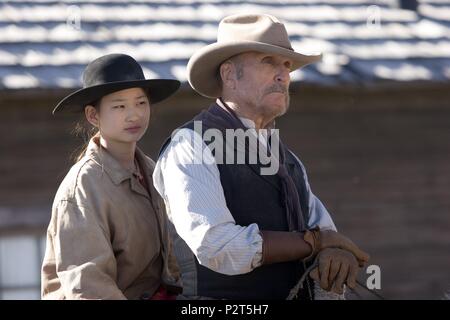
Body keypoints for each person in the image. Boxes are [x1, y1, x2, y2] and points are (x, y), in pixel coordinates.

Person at [153, 14, 370, 300]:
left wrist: (333, 250)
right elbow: (214, 245)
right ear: (229, 74)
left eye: (287, 65)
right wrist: (314, 242)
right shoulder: (191, 146)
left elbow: (326, 232)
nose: (283, 75)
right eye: (268, 61)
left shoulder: (289, 160)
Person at [41, 53, 182, 299]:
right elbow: (88, 286)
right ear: (93, 116)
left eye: (140, 103)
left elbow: (170, 263)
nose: (134, 115)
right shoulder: (83, 187)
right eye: (119, 106)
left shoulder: (150, 169)